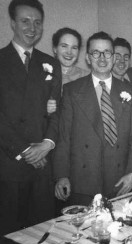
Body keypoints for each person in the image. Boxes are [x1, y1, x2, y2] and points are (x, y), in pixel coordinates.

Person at [53, 31, 132, 206]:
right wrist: (61, 175)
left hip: (119, 181)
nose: (102, 58)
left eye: (107, 52)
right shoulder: (72, 91)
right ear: (88, 58)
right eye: (96, 52)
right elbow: (64, 137)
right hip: (82, 182)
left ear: (114, 57)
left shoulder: (130, 92)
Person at [0, 0, 61, 235]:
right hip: (9, 162)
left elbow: (57, 111)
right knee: (10, 232)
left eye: (37, 22)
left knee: (42, 231)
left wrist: (47, 144)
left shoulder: (50, 63)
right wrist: (26, 151)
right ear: (13, 23)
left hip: (42, 165)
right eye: (25, 21)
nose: (32, 27)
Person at [47, 27, 90, 114]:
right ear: (55, 49)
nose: (69, 52)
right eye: (64, 46)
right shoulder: (42, 76)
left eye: (74, 47)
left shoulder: (87, 77)